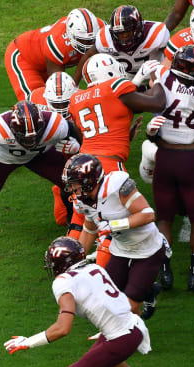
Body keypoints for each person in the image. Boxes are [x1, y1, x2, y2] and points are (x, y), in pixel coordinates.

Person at [4, 236, 158, 367]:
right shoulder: (95, 268)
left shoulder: (63, 282)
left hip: (121, 336)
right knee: (105, 360)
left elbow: (63, 328)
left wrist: (29, 342)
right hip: (132, 325)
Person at [66, 53, 165, 268]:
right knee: (112, 228)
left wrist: (122, 134)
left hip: (80, 163)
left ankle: (70, 267)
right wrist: (157, 80)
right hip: (108, 166)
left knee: (82, 219)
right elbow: (158, 102)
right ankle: (106, 278)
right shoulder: (116, 87)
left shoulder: (76, 99)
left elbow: (93, 131)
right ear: (110, 71)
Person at [143, 45, 194, 292]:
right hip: (191, 159)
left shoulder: (164, 78)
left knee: (164, 219)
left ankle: (165, 273)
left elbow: (155, 67)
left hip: (165, 156)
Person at [62, 154, 166, 319]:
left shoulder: (115, 186)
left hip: (147, 249)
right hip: (121, 249)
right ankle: (148, 291)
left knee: (129, 305)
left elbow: (147, 214)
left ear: (88, 180)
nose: (72, 189)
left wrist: (113, 225)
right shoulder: (83, 201)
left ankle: (133, 337)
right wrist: (75, 261)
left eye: (74, 184)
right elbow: (89, 229)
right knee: (108, 298)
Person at [0, 100, 79, 225]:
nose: (30, 142)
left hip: (39, 155)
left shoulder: (56, 124)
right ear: (12, 128)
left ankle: (72, 219)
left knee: (70, 181)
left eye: (36, 136)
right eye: (25, 137)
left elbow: (80, 135)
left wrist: (78, 146)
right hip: (2, 158)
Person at [5, 8, 104, 101]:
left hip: (47, 59)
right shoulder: (58, 42)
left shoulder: (101, 28)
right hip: (24, 56)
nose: (87, 45)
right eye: (82, 40)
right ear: (70, 34)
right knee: (37, 103)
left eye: (91, 40)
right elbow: (60, 85)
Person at [28, 72, 79, 226]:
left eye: (65, 103)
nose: (61, 108)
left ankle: (74, 219)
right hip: (49, 145)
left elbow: (94, 139)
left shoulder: (84, 100)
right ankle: (60, 187)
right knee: (60, 219)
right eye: (57, 104)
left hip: (75, 144)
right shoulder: (36, 98)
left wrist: (79, 147)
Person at [72, 5, 169, 85]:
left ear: (138, 28)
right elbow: (88, 55)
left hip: (153, 76)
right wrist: (74, 85)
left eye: (127, 32)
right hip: (124, 79)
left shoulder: (156, 34)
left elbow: (171, 55)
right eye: (119, 33)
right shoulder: (105, 38)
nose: (124, 37)